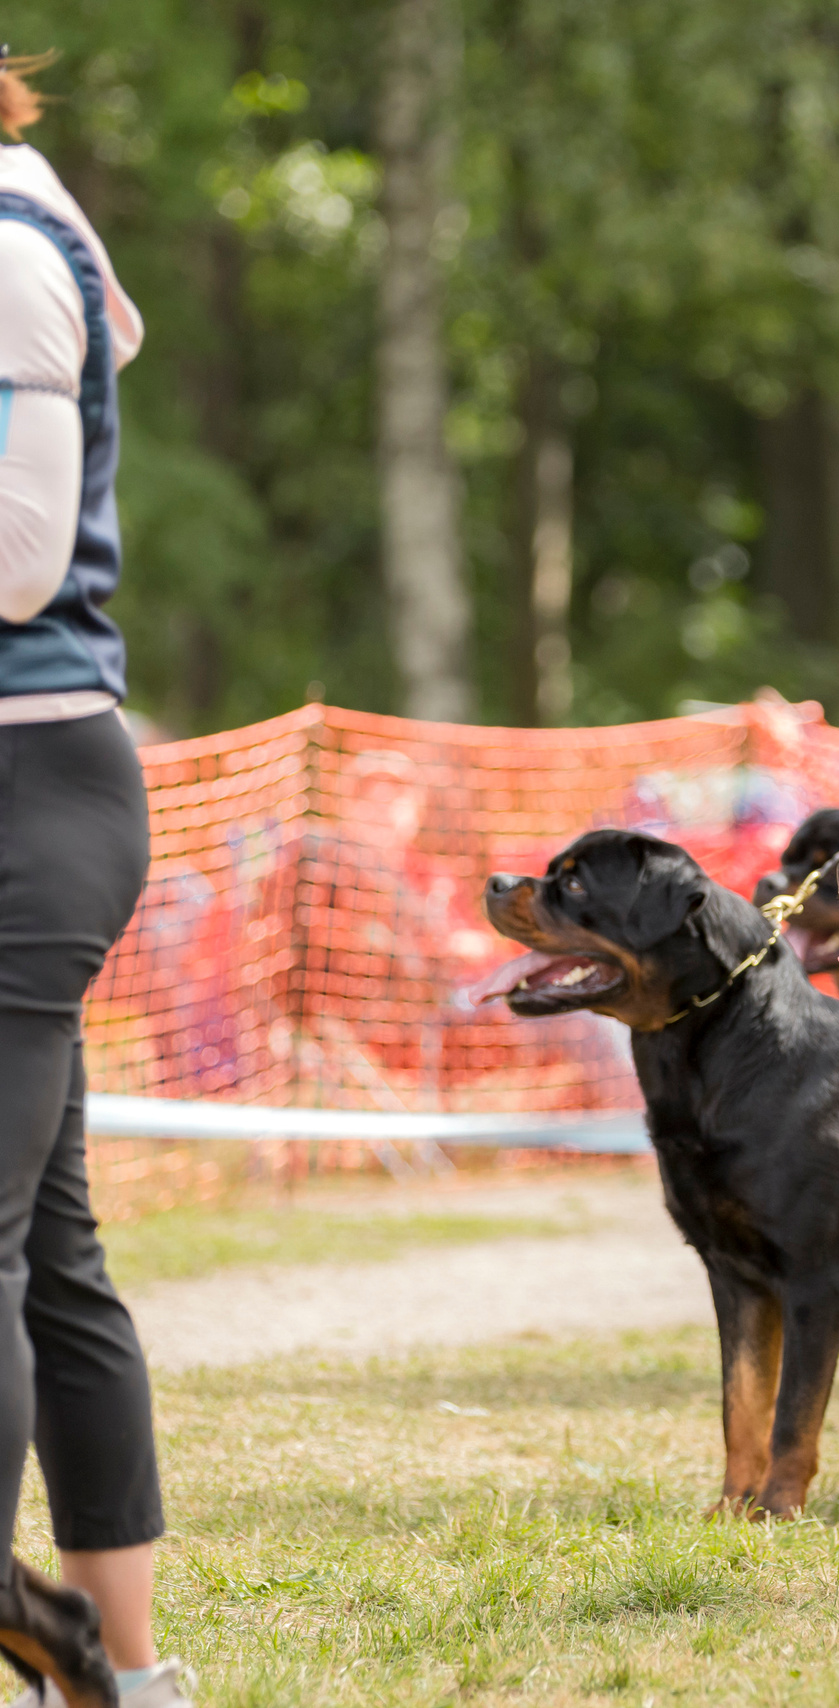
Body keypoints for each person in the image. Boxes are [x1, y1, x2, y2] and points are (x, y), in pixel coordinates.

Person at [0, 49, 194, 1708]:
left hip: (27, 780)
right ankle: (125, 1676)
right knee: (49, 1254)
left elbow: (17, 554)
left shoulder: (4, 252)